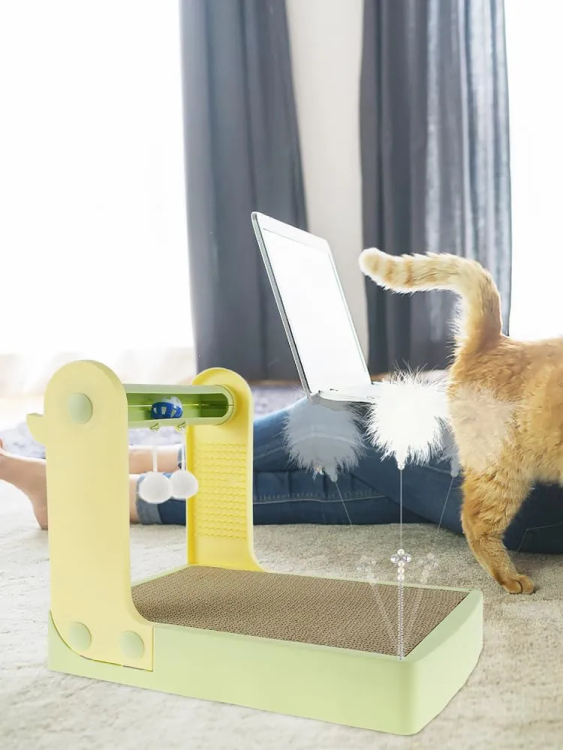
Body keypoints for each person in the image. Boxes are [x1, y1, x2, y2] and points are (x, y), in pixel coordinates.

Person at [2, 404, 563, 554]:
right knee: (350, 482)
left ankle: (134, 463)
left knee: (335, 417)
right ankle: (94, 495)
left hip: (537, 491)